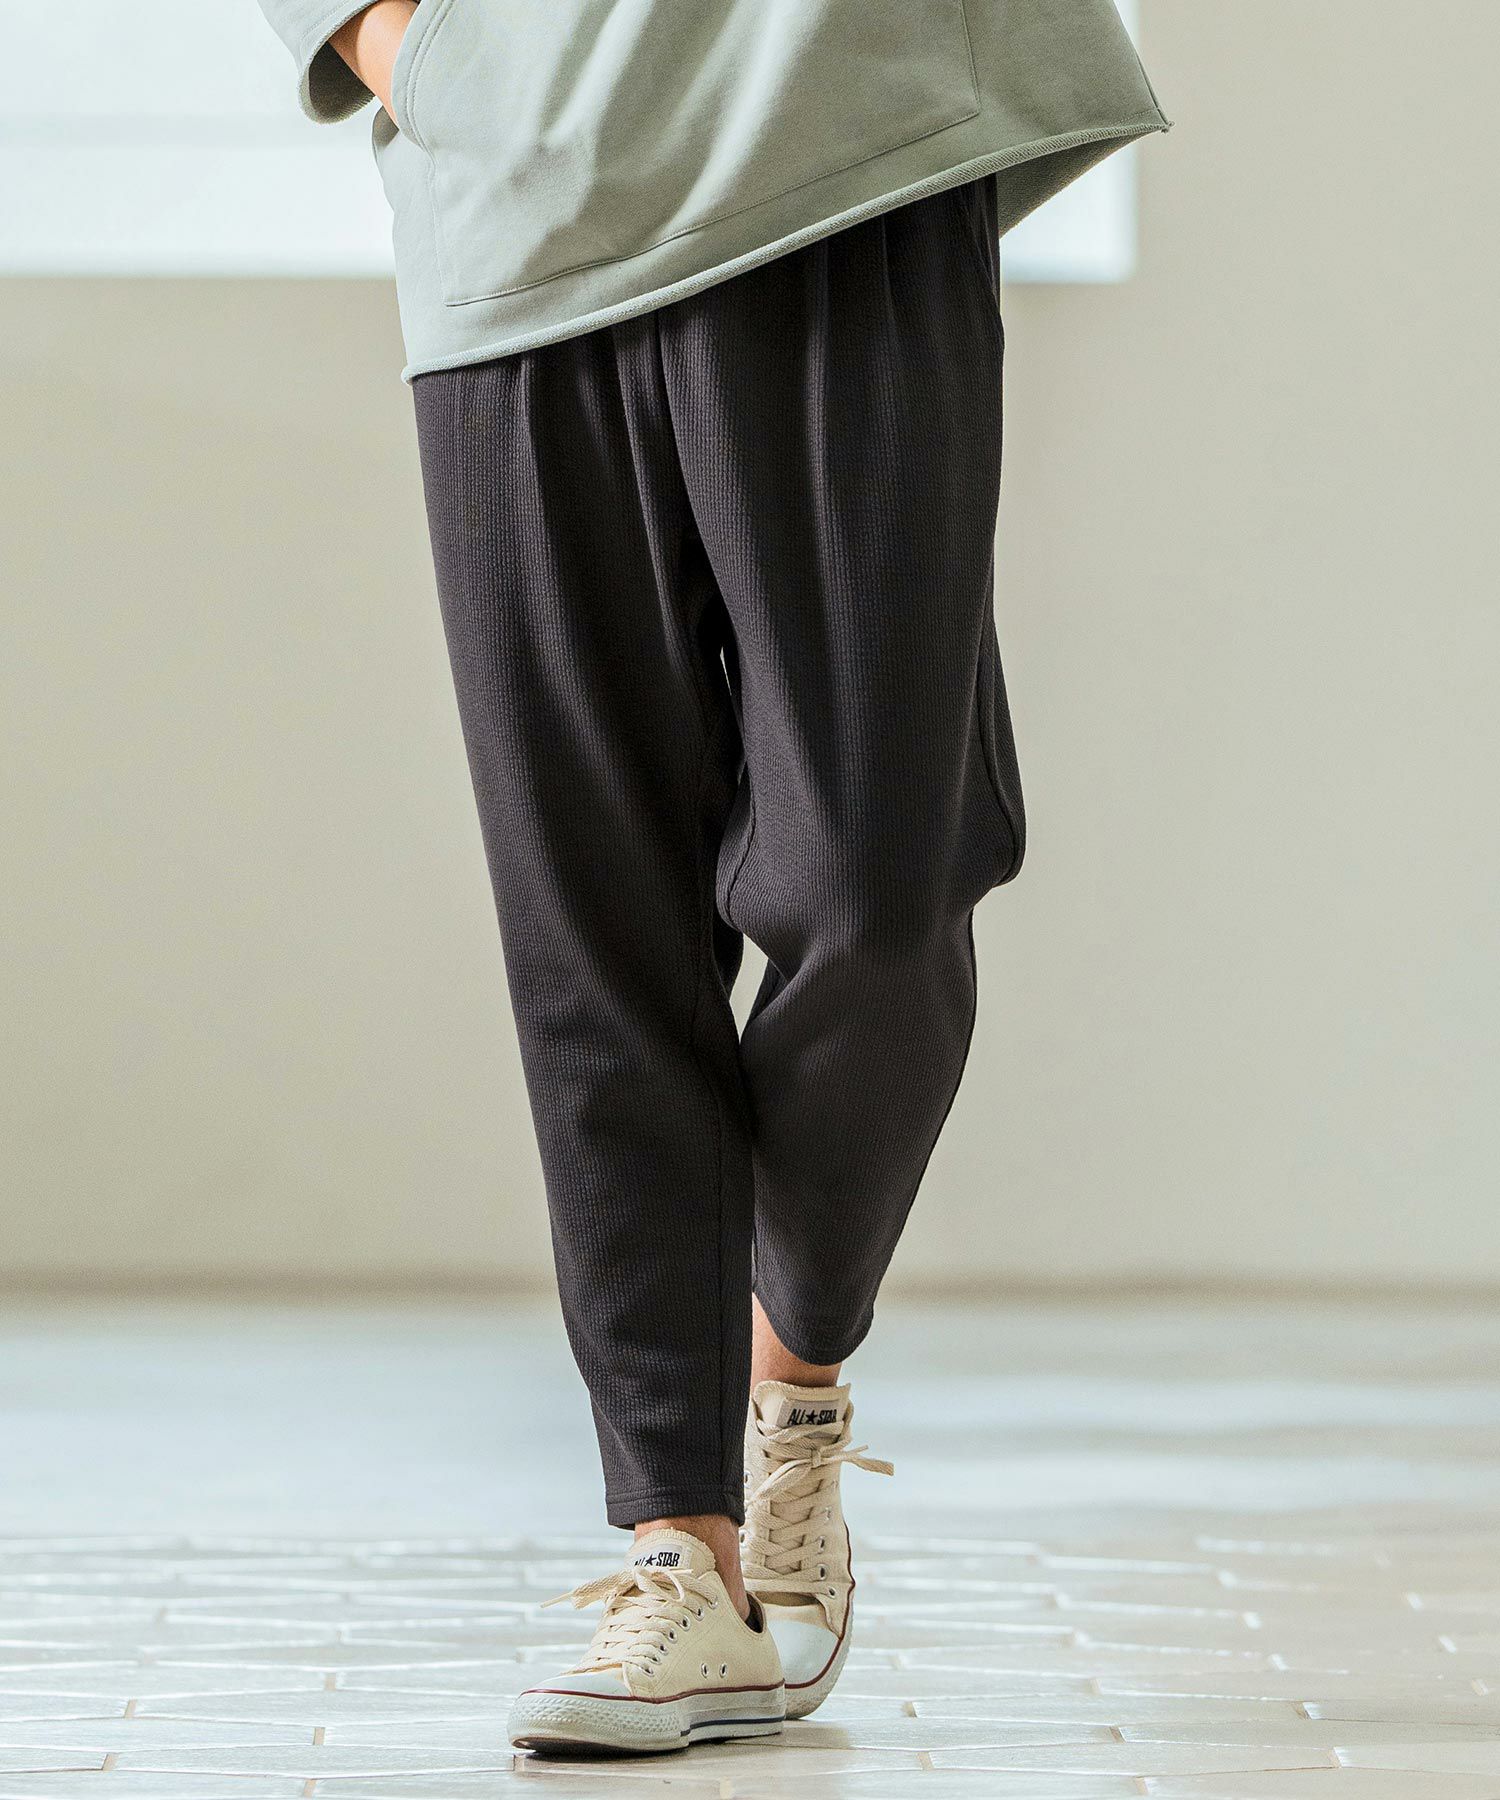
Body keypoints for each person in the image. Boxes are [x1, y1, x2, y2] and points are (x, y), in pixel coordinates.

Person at [256, 0, 1168, 1757]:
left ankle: (790, 1389)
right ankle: (681, 1553)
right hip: (517, 220)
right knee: (591, 925)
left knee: (879, 890)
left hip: (844, 135)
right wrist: (401, 45)